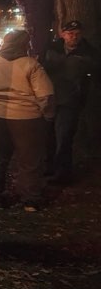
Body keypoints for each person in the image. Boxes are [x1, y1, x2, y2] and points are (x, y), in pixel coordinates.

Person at [0, 29, 55, 211]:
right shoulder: (32, 65)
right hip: (27, 120)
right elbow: (46, 96)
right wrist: (47, 116)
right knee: (29, 160)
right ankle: (30, 200)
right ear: (24, 45)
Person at [42, 20, 100, 184]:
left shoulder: (89, 53)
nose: (73, 37)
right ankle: (48, 167)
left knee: (64, 138)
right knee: (48, 136)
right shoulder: (52, 49)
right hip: (50, 99)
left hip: (70, 102)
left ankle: (62, 174)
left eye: (77, 34)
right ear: (63, 34)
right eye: (70, 33)